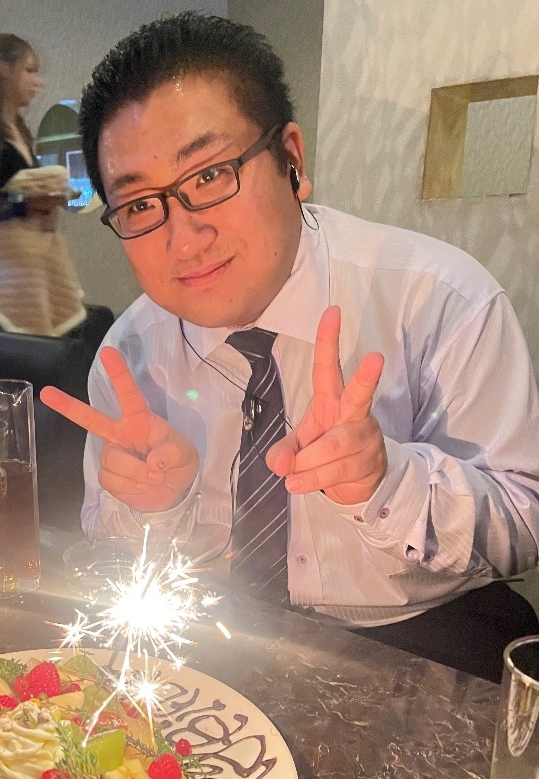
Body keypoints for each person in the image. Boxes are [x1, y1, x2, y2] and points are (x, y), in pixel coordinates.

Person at [40, 12, 539, 681]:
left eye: (210, 175)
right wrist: (157, 509)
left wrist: (387, 482)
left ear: (292, 160)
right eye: (138, 206)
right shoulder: (131, 356)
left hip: (424, 632)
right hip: (216, 632)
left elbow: (524, 527)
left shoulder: (440, 298)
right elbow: (122, 558)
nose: (183, 240)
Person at [0, 33, 86, 335]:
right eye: (30, 70)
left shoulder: (18, 130)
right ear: (4, 69)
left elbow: (19, 197)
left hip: (16, 276)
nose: (39, 81)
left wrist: (46, 202)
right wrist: (27, 205)